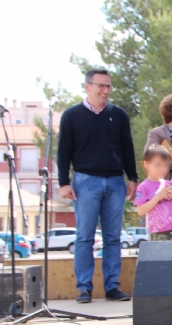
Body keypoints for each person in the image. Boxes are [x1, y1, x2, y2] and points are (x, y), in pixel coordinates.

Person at [57, 68, 136, 304]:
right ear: (87, 87)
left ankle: (112, 286)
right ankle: (84, 288)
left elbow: (127, 147)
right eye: (101, 86)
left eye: (108, 86)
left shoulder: (118, 115)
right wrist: (63, 182)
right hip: (85, 181)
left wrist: (132, 178)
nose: (105, 90)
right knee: (84, 238)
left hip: (115, 181)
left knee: (113, 238)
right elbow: (63, 151)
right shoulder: (71, 116)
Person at [134, 146, 172, 241]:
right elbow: (140, 210)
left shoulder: (170, 184)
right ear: (146, 164)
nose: (162, 169)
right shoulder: (143, 187)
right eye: (158, 165)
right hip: (158, 233)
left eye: (166, 165)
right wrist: (158, 197)